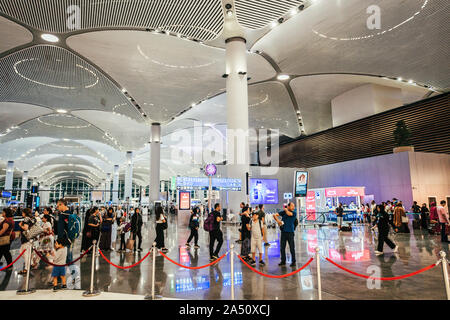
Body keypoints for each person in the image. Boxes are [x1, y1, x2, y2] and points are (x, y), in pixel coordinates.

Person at [273, 202, 297, 267]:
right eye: (292, 206)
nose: (293, 207)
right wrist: (278, 221)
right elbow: (274, 215)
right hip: (283, 232)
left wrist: (286, 209)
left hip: (290, 232)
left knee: (292, 247)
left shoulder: (294, 213)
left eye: (294, 206)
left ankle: (293, 261)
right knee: (282, 247)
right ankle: (283, 261)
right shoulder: (284, 212)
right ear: (288, 206)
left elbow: (289, 214)